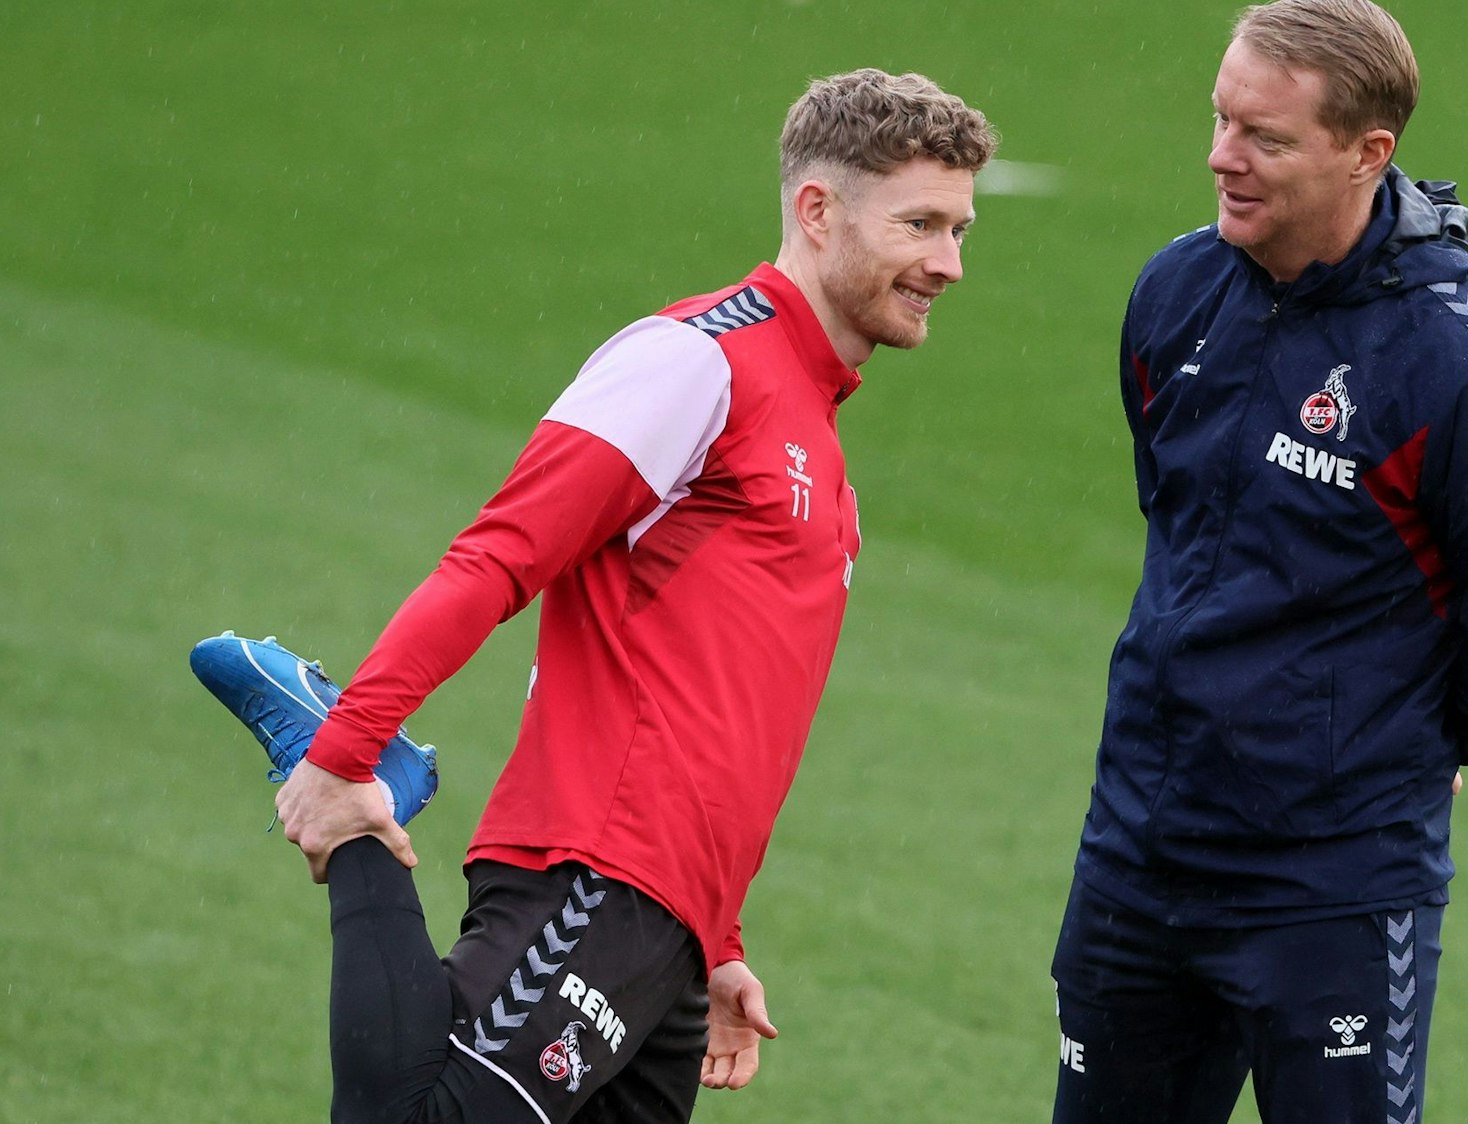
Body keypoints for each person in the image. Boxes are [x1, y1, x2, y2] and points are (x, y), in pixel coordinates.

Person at [251, 69, 994, 1124]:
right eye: (921, 223)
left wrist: (718, 936)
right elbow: (499, 556)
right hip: (593, 862)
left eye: (961, 229)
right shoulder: (696, 362)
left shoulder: (824, 458)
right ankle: (347, 804)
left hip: (669, 927)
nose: (948, 263)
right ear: (817, 211)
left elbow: (745, 714)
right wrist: (345, 754)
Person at [1049, 3, 1468, 1122]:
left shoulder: (1464, 373)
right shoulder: (1175, 293)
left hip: (1330, 889)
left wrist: (1393, 746)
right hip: (1137, 853)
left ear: (1366, 152)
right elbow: (1179, 524)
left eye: (1264, 139)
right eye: (1219, 119)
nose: (1220, 156)